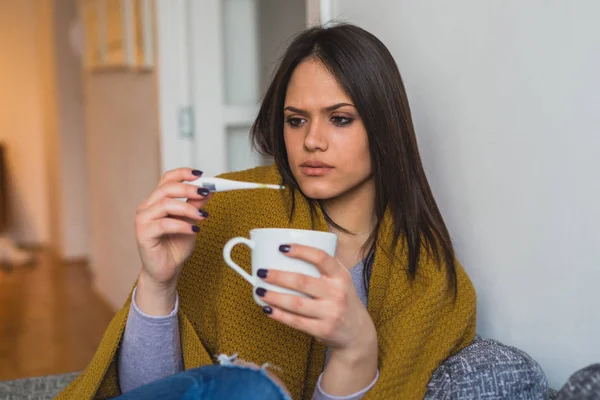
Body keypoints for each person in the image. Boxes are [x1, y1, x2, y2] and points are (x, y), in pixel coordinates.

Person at [57, 23, 476, 400]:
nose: (312, 140)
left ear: (384, 125)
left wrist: (356, 351)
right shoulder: (228, 210)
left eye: (340, 119)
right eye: (296, 120)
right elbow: (152, 393)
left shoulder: (428, 281)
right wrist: (157, 282)